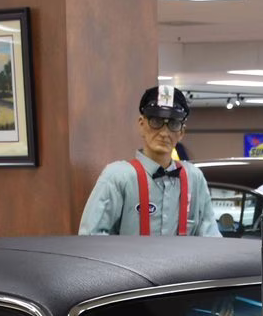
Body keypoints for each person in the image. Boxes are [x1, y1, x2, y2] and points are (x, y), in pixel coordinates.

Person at [79, 87, 220, 236]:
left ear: (181, 132)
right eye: (156, 121)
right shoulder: (118, 177)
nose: (164, 133)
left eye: (173, 124)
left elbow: (210, 237)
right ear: (141, 124)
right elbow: (90, 237)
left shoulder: (194, 178)